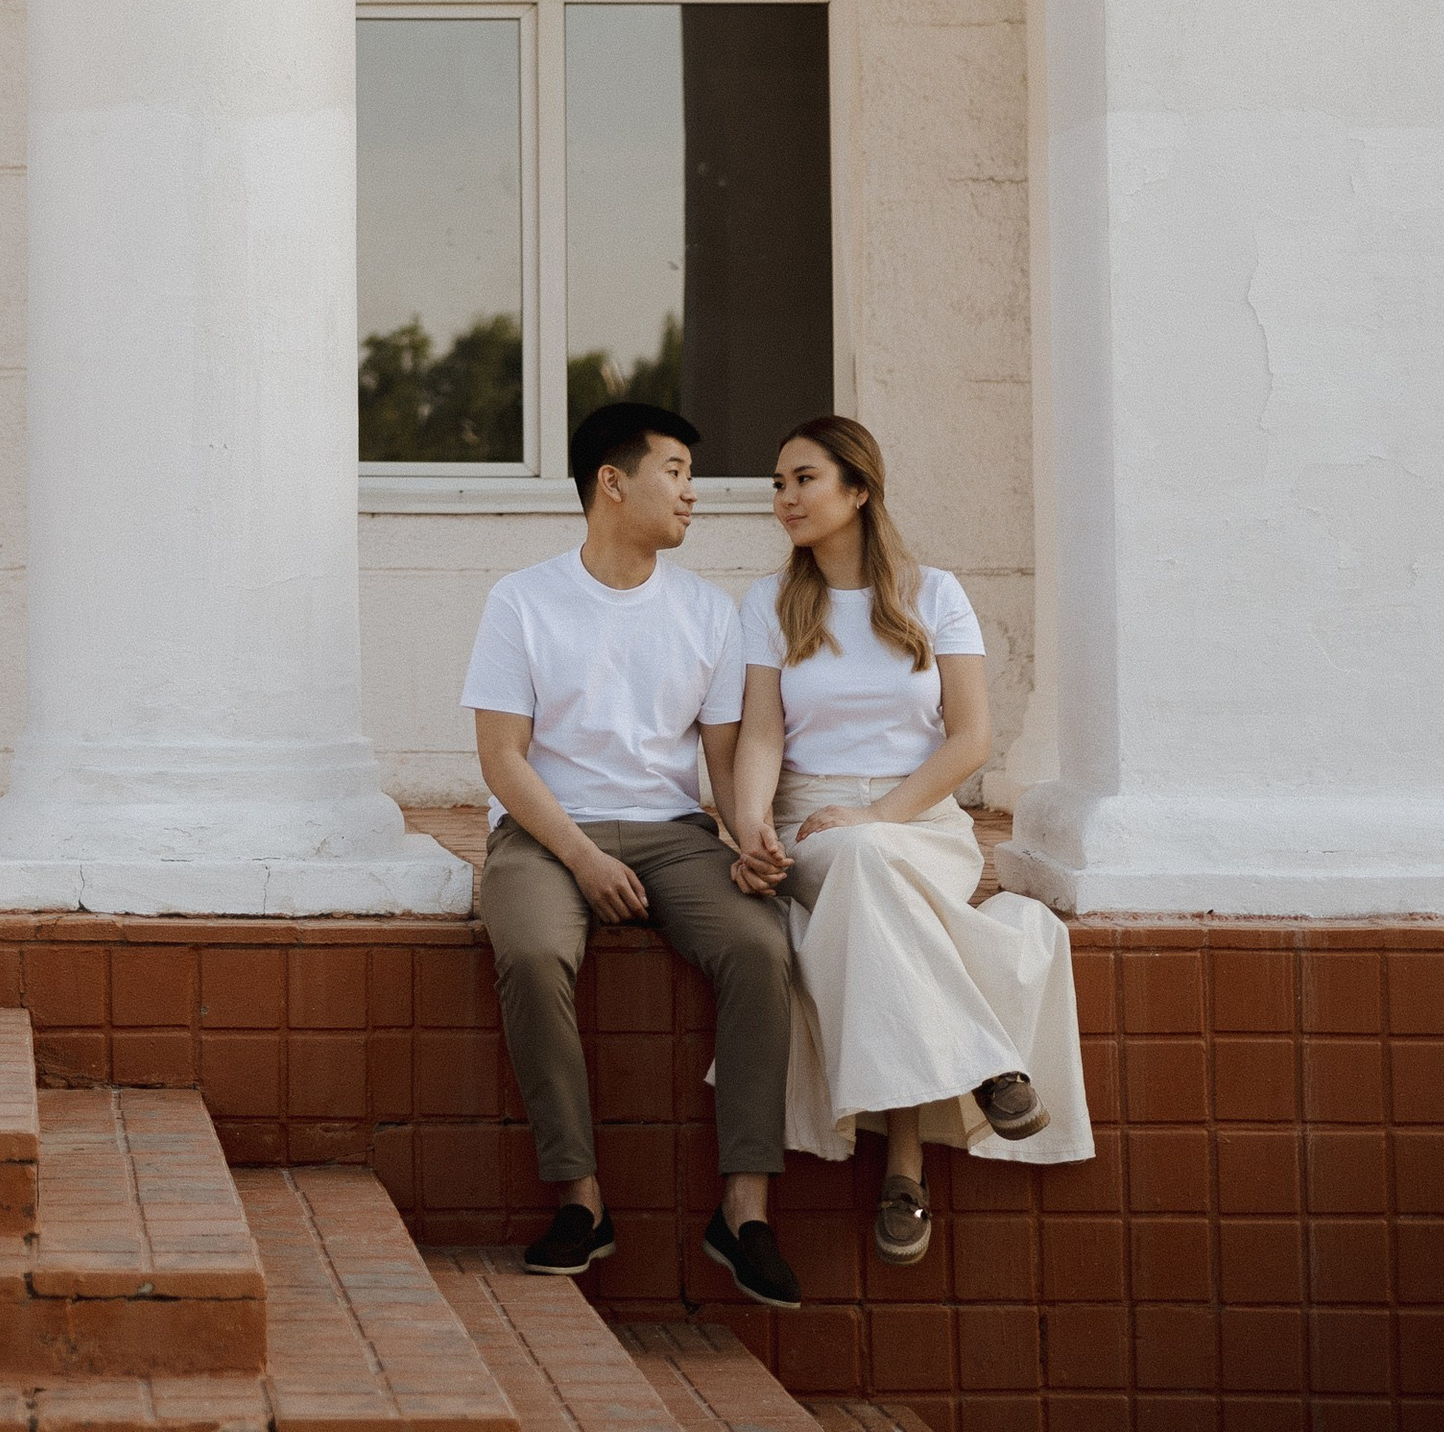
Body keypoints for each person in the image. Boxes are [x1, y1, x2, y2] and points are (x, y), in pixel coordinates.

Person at [725, 414, 1094, 1266]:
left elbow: (968, 741)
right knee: (853, 863)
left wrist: (879, 815)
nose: (784, 499)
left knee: (869, 867)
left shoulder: (937, 594)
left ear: (858, 490)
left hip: (920, 822)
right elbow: (761, 737)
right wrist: (751, 830)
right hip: (812, 821)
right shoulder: (770, 603)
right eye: (778, 484)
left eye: (802, 479)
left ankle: (908, 1151)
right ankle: (962, 1101)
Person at [465, 400, 802, 1310]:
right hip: (546, 830)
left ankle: (745, 1211)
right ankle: (580, 1200)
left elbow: (726, 761)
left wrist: (751, 838)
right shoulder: (523, 600)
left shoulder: (707, 611)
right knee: (534, 954)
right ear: (612, 485)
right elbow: (502, 759)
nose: (694, 495)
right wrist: (579, 857)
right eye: (677, 472)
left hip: (673, 835)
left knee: (761, 946)